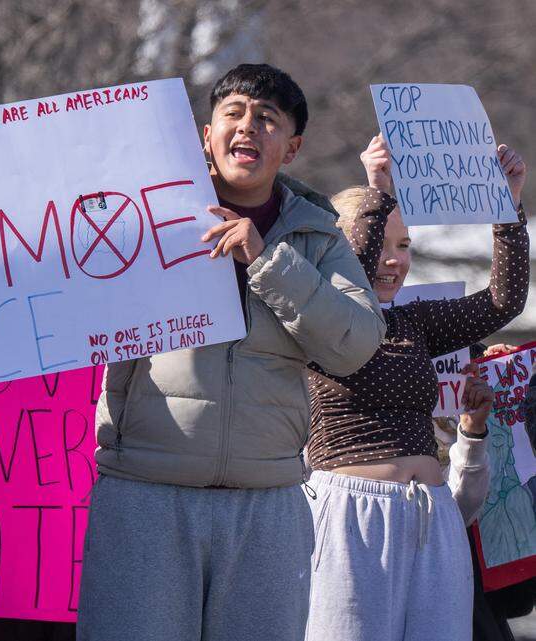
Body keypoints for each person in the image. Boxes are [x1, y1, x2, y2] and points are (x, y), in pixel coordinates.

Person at [77, 63, 386, 641]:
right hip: (144, 493)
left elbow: (356, 346)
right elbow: (40, 290)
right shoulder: (136, 215)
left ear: (291, 149)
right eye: (235, 114)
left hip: (267, 505)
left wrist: (268, 260)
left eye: (267, 120)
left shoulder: (318, 237)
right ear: (205, 135)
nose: (249, 128)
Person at [303, 134, 527, 641]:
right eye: (378, 244)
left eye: (403, 246)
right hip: (351, 518)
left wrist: (507, 204)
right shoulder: (314, 319)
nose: (392, 261)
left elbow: (503, 301)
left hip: (433, 518)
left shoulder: (416, 322)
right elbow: (351, 283)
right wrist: (377, 189)